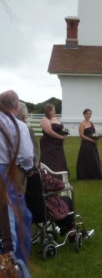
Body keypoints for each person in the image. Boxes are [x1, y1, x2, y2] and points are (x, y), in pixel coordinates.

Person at [0, 90, 34, 273]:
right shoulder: (19, 126)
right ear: (16, 106)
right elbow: (27, 156)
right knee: (17, 224)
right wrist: (28, 168)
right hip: (6, 174)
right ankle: (17, 269)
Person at [39, 103, 68, 172]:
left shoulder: (55, 118)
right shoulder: (45, 119)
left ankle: (60, 174)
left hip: (58, 144)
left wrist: (64, 132)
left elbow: (59, 128)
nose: (55, 112)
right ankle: (50, 175)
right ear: (49, 111)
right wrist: (60, 137)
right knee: (50, 159)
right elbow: (49, 131)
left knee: (59, 159)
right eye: (53, 110)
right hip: (49, 143)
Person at [76, 108, 102, 180]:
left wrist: (97, 137)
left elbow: (94, 133)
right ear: (84, 115)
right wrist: (91, 140)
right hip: (86, 144)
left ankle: (94, 175)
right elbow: (81, 135)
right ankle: (84, 175)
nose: (89, 115)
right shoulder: (82, 124)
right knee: (86, 159)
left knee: (93, 159)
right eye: (87, 114)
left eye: (90, 114)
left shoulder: (91, 123)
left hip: (93, 144)